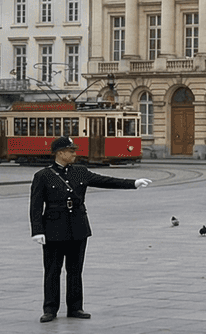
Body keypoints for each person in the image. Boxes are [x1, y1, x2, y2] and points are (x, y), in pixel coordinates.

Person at [30, 136, 150, 323]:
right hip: (53, 228)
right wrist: (37, 231)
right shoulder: (43, 175)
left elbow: (105, 180)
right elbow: (36, 206)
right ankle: (50, 309)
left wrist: (133, 183)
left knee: (75, 270)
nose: (74, 154)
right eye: (71, 151)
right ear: (60, 153)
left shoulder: (80, 172)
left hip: (78, 227)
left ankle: (76, 307)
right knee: (52, 270)